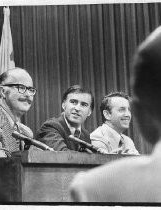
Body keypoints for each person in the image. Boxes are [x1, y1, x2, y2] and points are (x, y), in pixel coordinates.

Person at [70, 26, 161, 202]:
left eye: (128, 109)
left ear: (140, 114)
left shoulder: (92, 189)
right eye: (121, 109)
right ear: (106, 114)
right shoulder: (96, 137)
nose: (127, 115)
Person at [36, 85, 94, 151]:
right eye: (73, 102)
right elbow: (63, 157)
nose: (77, 108)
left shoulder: (86, 135)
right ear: (63, 105)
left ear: (89, 112)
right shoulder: (50, 127)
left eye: (83, 105)